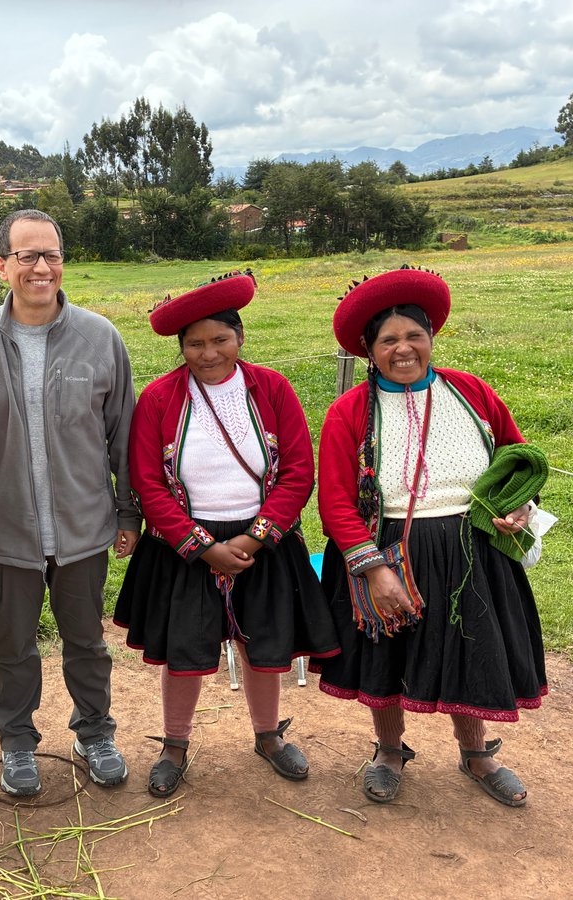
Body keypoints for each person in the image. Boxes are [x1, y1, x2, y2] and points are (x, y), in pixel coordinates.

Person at [312, 265, 546, 807]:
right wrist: (373, 569)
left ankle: (477, 753)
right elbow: (337, 502)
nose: (403, 349)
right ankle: (389, 750)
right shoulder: (350, 412)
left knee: (473, 651)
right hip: (389, 550)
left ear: (432, 338)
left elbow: (516, 458)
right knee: (387, 659)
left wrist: (518, 508)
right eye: (388, 340)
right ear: (368, 349)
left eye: (414, 336)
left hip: (473, 553)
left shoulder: (471, 392)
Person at [114, 272, 341, 797]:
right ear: (181, 347)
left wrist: (255, 539)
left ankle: (268, 735)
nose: (208, 352)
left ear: (240, 338)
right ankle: (175, 743)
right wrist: (203, 547)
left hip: (264, 542)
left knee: (264, 643)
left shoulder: (273, 389)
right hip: (186, 546)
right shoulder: (159, 399)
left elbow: (298, 472)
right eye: (195, 343)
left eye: (220, 339)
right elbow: (149, 483)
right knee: (185, 651)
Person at [0, 209, 141, 796]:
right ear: (2, 266)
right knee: (13, 646)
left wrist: (129, 511)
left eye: (52, 255)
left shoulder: (100, 337)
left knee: (86, 640)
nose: (42, 267)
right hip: (5, 527)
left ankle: (96, 731)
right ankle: (16, 742)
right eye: (28, 256)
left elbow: (124, 435)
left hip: (85, 523)